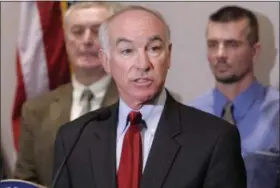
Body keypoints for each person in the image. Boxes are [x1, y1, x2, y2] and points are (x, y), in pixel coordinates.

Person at [53, 5, 247, 188]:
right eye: (127, 51)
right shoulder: (74, 138)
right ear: (106, 61)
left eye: (154, 48)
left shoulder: (215, 139)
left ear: (168, 56)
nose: (143, 64)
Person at [13, 2, 122, 187]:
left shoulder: (145, 105)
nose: (87, 40)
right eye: (77, 31)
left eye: (97, 31)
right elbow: (24, 182)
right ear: (65, 39)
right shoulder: (36, 111)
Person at [189, 5, 279, 188]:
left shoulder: (277, 114)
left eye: (232, 44)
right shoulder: (190, 116)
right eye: (213, 45)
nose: (220, 55)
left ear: (255, 51)